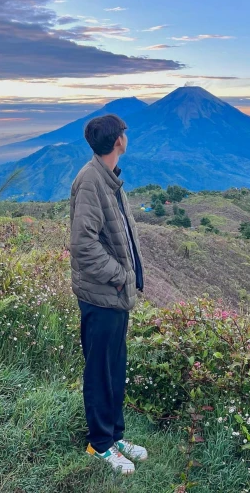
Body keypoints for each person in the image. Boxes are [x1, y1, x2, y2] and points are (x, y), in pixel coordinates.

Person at [69, 113, 146, 475]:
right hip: (101, 296)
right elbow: (82, 243)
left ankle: (114, 436)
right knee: (100, 370)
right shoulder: (90, 182)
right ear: (118, 141)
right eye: (125, 133)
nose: (126, 138)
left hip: (114, 296)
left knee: (114, 367)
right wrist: (119, 276)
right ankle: (99, 444)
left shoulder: (108, 178)